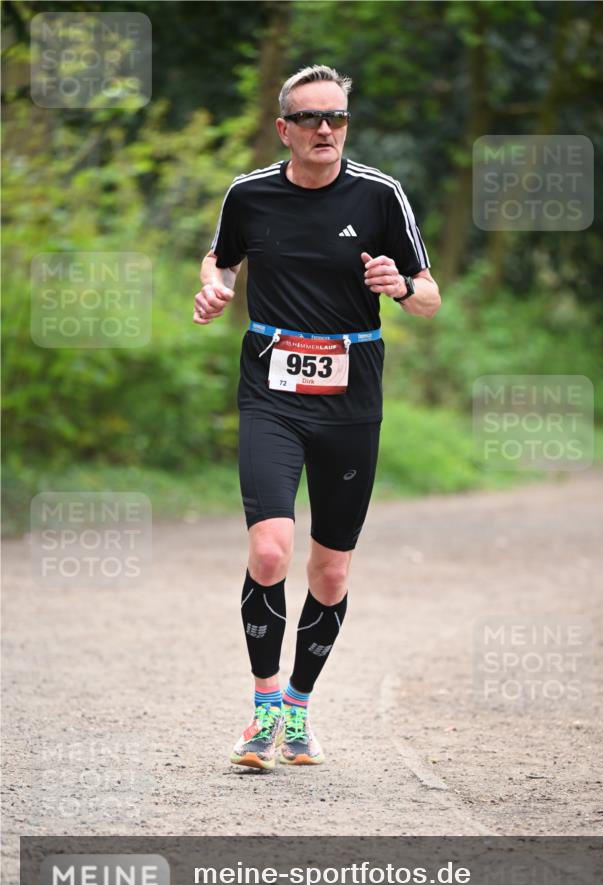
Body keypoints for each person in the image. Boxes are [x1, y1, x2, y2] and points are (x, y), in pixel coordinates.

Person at [193, 64, 440, 771]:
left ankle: (300, 710)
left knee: (328, 571)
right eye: (309, 119)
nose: (325, 129)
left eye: (335, 118)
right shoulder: (249, 194)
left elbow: (428, 296)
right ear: (284, 128)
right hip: (269, 389)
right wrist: (213, 289)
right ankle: (263, 705)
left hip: (351, 397)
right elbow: (221, 261)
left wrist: (400, 287)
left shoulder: (380, 195)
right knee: (269, 550)